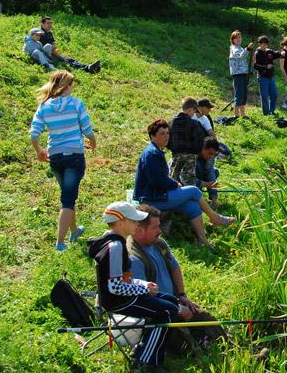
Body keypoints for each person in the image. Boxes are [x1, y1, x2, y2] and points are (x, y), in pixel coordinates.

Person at [87, 202, 190, 370]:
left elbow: (123, 280)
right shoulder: (116, 247)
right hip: (119, 301)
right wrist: (144, 288)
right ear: (121, 223)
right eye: (133, 220)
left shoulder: (115, 242)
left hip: (122, 296)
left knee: (171, 301)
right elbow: (115, 286)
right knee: (168, 312)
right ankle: (147, 360)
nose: (137, 223)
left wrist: (142, 283)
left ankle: (144, 349)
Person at [128, 204, 226, 356]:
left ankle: (226, 346)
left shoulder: (159, 243)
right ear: (140, 230)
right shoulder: (133, 258)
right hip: (158, 314)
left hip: (174, 302)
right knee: (182, 339)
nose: (160, 231)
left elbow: (174, 267)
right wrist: (177, 308)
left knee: (205, 318)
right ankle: (200, 352)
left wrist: (181, 295)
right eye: (155, 227)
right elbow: (145, 298)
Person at [134, 119, 235, 248]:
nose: (166, 136)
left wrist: (173, 183)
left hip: (158, 195)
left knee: (193, 206)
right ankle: (215, 218)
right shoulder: (152, 154)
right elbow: (156, 181)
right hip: (151, 198)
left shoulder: (156, 151)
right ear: (152, 136)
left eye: (167, 133)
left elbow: (160, 179)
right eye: (162, 134)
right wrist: (174, 184)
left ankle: (203, 241)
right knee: (193, 190)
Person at [30, 70, 96, 251]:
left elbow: (34, 134)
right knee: (68, 199)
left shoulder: (44, 107)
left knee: (68, 194)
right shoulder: (76, 104)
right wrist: (93, 141)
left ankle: (74, 231)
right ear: (67, 86)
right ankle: (60, 243)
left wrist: (39, 151)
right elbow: (87, 129)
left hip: (55, 157)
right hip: (74, 156)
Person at [168, 97, 206, 185]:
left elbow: (167, 138)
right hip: (191, 156)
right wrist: (196, 152)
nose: (194, 114)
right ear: (191, 109)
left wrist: (172, 148)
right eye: (194, 111)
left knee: (173, 180)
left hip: (176, 154)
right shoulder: (195, 124)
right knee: (189, 181)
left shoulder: (171, 122)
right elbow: (200, 141)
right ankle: (190, 193)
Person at [252, 36, 282, 116]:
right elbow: (255, 65)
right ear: (259, 44)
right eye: (263, 44)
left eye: (266, 45)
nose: (265, 46)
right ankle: (266, 113)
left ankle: (272, 111)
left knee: (274, 94)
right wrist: (265, 67)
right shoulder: (257, 53)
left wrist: (281, 53)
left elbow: (276, 54)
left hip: (271, 76)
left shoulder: (269, 51)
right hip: (262, 77)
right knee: (264, 96)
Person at [228, 30, 253, 118]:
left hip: (243, 74)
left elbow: (243, 56)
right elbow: (240, 56)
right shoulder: (233, 48)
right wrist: (248, 49)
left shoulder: (240, 48)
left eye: (239, 37)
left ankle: (243, 114)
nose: (238, 39)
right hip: (238, 74)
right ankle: (236, 115)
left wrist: (247, 50)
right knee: (239, 94)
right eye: (236, 38)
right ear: (233, 40)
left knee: (243, 94)